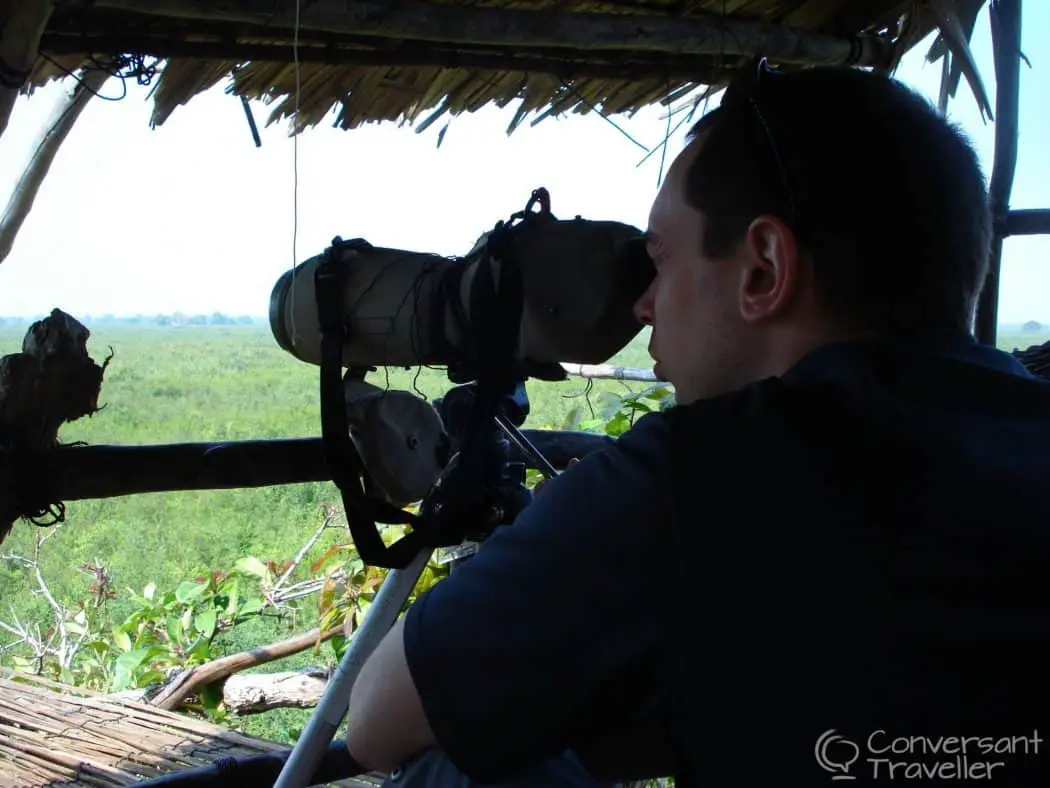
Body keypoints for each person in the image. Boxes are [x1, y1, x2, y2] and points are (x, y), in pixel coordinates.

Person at [346, 59, 1050, 787]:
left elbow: (372, 724)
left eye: (660, 261)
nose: (644, 305)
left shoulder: (703, 477)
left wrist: (560, 539)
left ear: (764, 270)